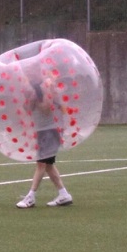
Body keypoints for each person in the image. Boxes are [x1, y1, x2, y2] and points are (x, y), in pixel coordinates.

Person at [16, 75, 73, 208]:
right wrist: (31, 98)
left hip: (50, 132)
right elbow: (27, 109)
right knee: (48, 166)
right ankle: (64, 195)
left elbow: (46, 109)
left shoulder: (46, 91)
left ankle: (30, 197)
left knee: (41, 164)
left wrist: (39, 95)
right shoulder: (33, 94)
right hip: (42, 132)